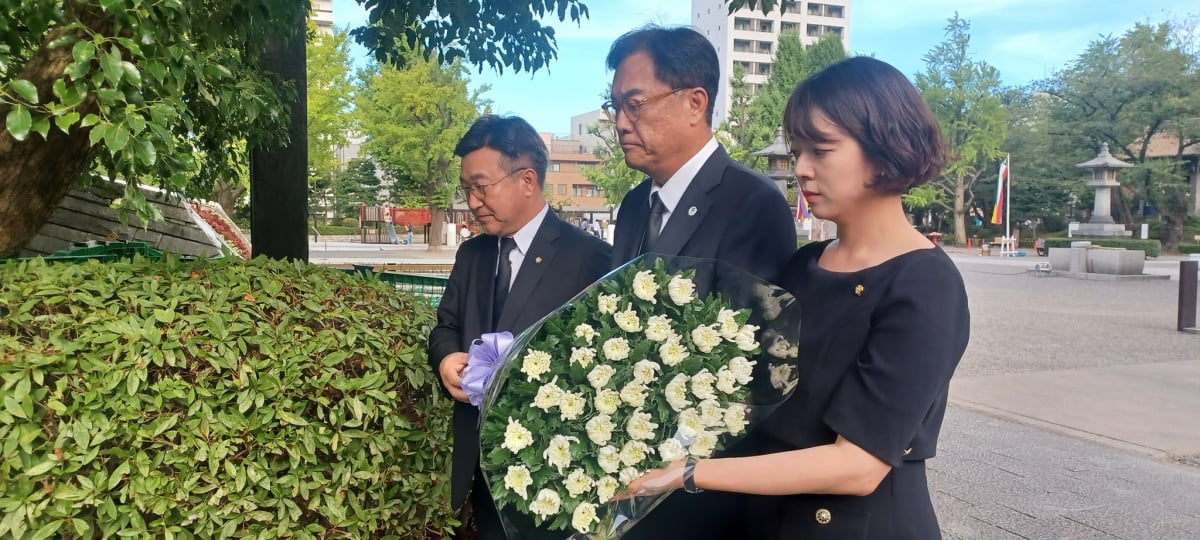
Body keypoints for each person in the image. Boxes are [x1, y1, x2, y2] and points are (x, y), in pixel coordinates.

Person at [626, 56, 971, 540]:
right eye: (797, 152)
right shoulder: (804, 264)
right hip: (767, 520)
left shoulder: (924, 283)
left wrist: (690, 472)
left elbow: (858, 465)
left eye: (822, 151)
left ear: (886, 148)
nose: (801, 170)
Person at [603, 25, 797, 539]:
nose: (621, 122)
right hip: (627, 463)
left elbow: (750, 363)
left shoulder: (752, 204)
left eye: (635, 104)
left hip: (703, 487)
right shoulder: (632, 205)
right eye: (615, 106)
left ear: (695, 102)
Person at [428, 115, 612, 540]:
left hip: (556, 474)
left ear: (527, 180)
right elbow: (446, 327)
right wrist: (445, 359)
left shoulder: (592, 259)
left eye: (481, 186)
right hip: (483, 470)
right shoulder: (472, 254)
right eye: (467, 189)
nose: (472, 201)